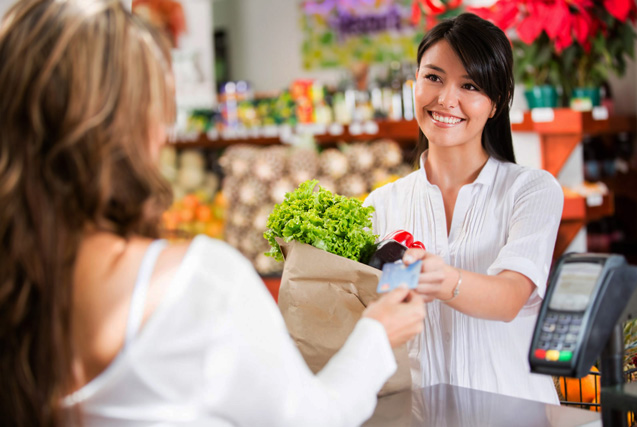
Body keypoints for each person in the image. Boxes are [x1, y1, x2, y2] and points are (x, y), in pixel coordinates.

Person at [0, 1, 426, 426]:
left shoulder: (19, 285)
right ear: (135, 124)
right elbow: (311, 418)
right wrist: (378, 333)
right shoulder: (197, 284)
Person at [364, 13, 564, 404]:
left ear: (496, 103)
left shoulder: (532, 190)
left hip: (516, 412)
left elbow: (510, 297)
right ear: (415, 82)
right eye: (433, 77)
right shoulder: (380, 205)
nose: (445, 100)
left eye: (469, 85)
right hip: (419, 414)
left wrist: (443, 279)